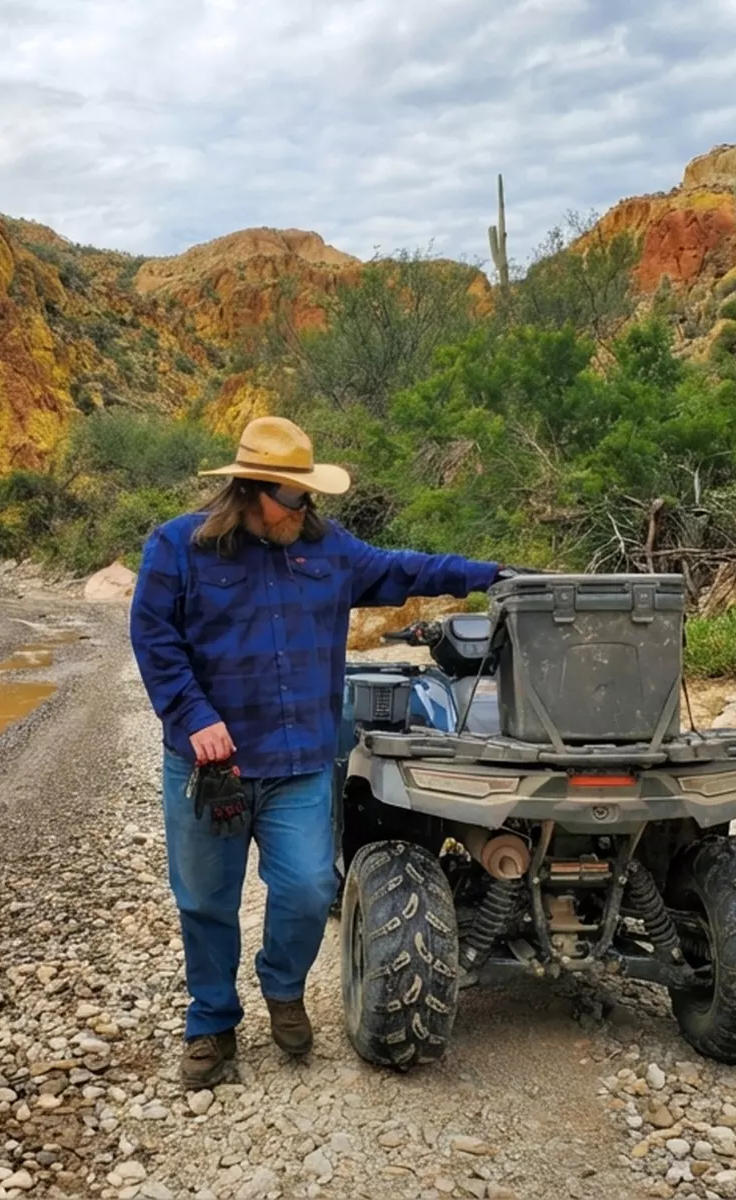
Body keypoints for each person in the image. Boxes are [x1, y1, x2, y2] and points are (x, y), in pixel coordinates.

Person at [129, 416, 503, 1087]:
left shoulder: (327, 549)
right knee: (205, 900)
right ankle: (211, 1024)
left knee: (307, 888)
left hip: (298, 761)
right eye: (293, 497)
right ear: (249, 490)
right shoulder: (177, 547)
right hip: (208, 766)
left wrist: (491, 574)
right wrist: (192, 716)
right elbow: (153, 639)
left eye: (310, 496)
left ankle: (283, 989)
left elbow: (402, 568)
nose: (306, 509)